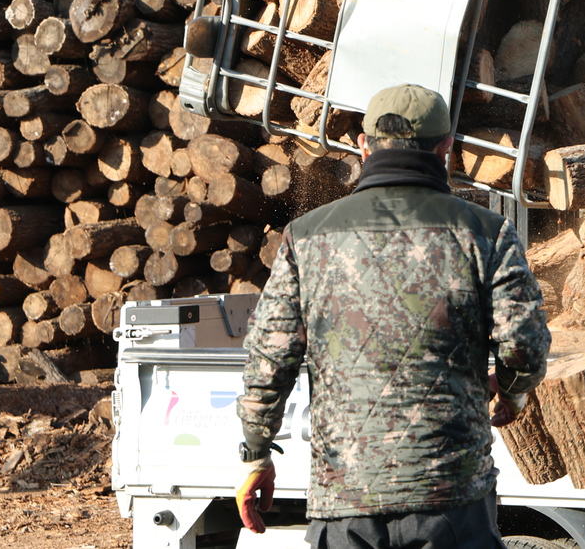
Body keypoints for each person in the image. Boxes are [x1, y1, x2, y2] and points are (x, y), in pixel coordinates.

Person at [234, 83, 550, 549]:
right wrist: (514, 391)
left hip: (346, 503)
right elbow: (524, 346)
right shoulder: (487, 232)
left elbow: (269, 358)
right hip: (453, 499)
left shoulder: (306, 236)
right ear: (446, 148)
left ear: (362, 145)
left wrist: (256, 454)